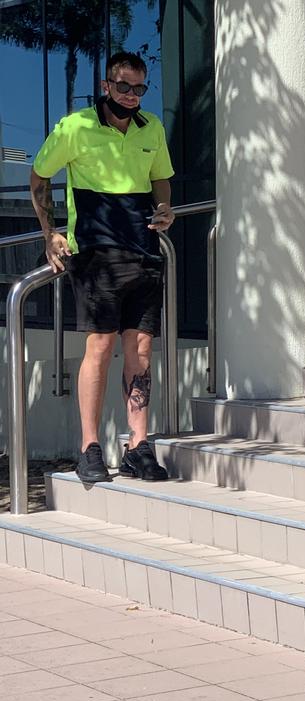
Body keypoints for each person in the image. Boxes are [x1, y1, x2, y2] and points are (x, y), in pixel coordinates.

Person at [29, 51, 175, 484]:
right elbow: (40, 178)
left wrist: (164, 208)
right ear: (107, 86)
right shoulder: (76, 127)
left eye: (139, 88)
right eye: (124, 86)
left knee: (142, 350)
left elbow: (160, 177)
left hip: (144, 251)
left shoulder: (152, 128)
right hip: (95, 253)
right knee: (100, 347)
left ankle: (138, 445)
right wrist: (48, 232)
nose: (132, 96)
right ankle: (89, 446)